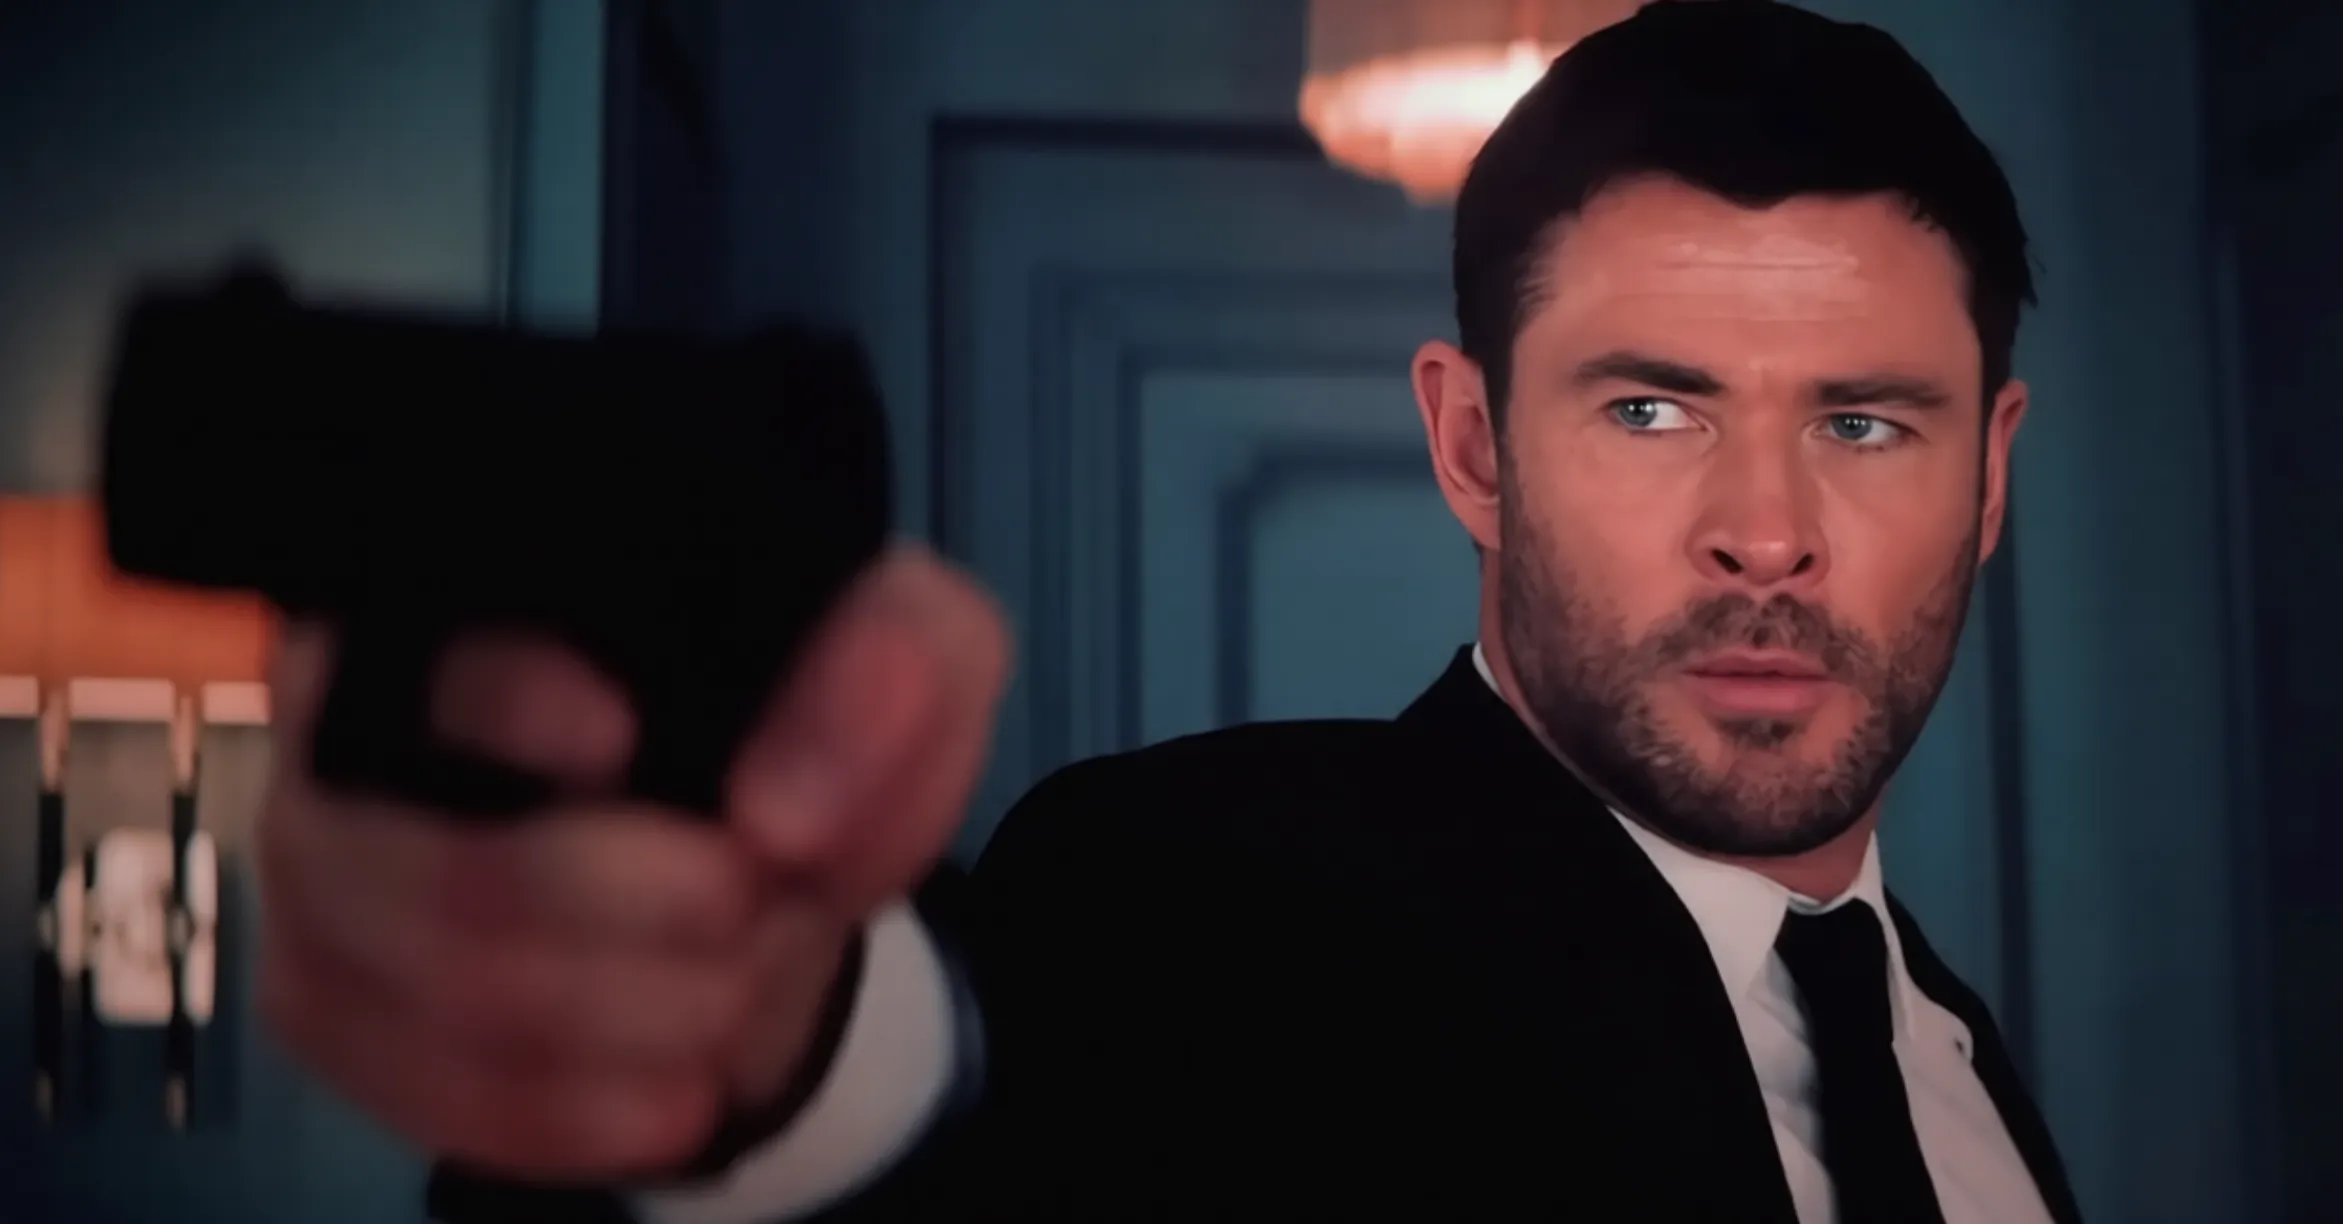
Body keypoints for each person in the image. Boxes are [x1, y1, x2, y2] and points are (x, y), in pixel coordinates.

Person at [255, 3, 2081, 1221]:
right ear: (1471, 447)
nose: (1763, 536)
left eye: (1861, 424)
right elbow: (939, 1117)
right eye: (1652, 411)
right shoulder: (1201, 911)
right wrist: (774, 1079)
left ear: (1989, 476)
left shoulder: (1948, 1056)